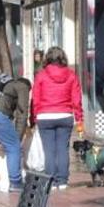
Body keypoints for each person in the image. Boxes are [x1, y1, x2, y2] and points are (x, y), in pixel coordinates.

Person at [30, 46, 84, 190]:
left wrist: (34, 118)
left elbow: (35, 98)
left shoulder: (41, 75)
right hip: (65, 115)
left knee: (49, 150)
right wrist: (79, 119)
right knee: (62, 149)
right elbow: (77, 99)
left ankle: (51, 181)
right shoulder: (72, 75)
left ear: (47, 58)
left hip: (44, 116)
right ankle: (63, 181)